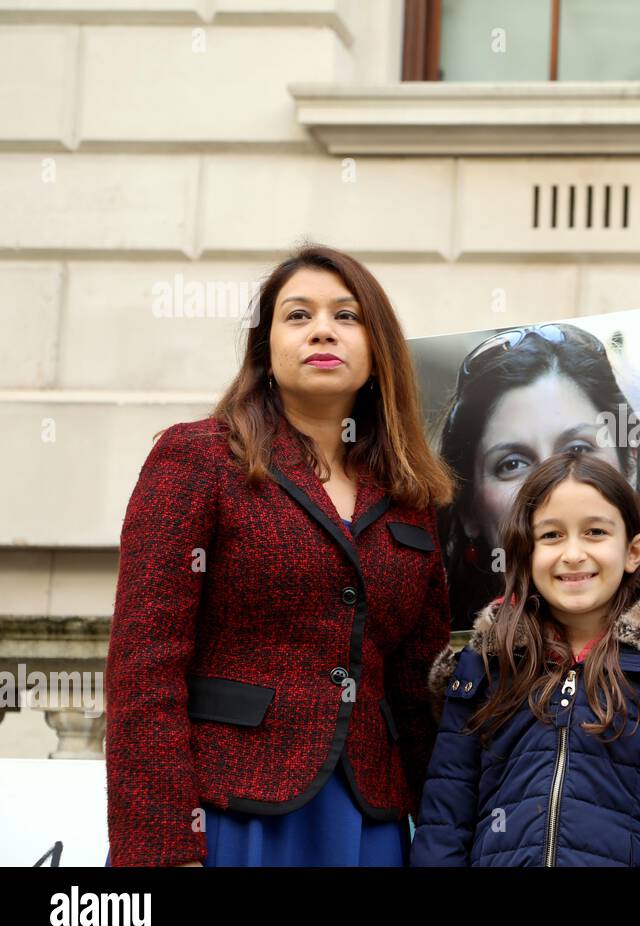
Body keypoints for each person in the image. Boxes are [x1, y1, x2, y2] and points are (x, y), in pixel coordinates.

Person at [105, 244, 454, 866]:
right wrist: (161, 847)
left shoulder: (411, 496)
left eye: (348, 316)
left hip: (367, 820)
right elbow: (143, 663)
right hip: (225, 813)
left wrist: (444, 838)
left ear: (378, 353)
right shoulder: (198, 459)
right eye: (298, 315)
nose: (324, 328)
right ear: (265, 351)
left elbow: (419, 686)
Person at [410, 452, 640, 866]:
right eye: (551, 536)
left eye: (595, 532)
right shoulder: (486, 665)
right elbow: (443, 824)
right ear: (526, 551)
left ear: (633, 550)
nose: (573, 553)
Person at [435, 322, 640, 630]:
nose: (554, 487)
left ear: (628, 468)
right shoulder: (446, 666)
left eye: (577, 450)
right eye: (512, 464)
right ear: (469, 506)